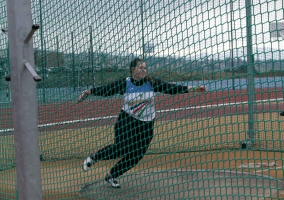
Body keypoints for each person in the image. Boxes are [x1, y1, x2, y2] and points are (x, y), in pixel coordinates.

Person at [78, 58, 206, 188]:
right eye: (140, 68)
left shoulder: (152, 83)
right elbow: (107, 90)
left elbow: (171, 88)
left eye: (145, 68)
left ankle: (112, 175)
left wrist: (195, 88)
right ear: (132, 70)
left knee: (136, 155)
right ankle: (94, 158)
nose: (143, 70)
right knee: (122, 147)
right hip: (127, 120)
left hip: (146, 125)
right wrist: (89, 91)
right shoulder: (125, 83)